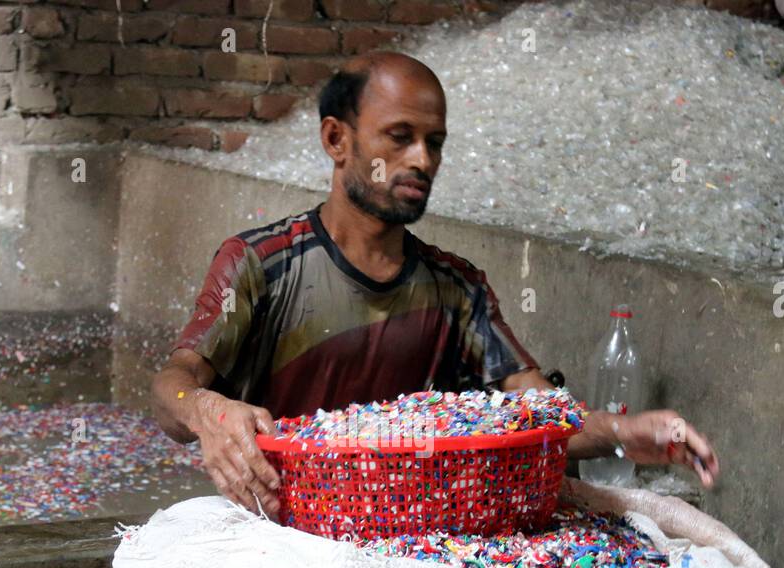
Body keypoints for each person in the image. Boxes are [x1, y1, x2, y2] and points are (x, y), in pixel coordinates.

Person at [152, 51, 720, 519]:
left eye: (435, 142)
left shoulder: (458, 288)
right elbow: (171, 389)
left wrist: (623, 431)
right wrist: (208, 412)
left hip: (417, 537)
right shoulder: (261, 264)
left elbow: (538, 415)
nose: (422, 160)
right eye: (399, 137)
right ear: (336, 139)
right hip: (286, 531)